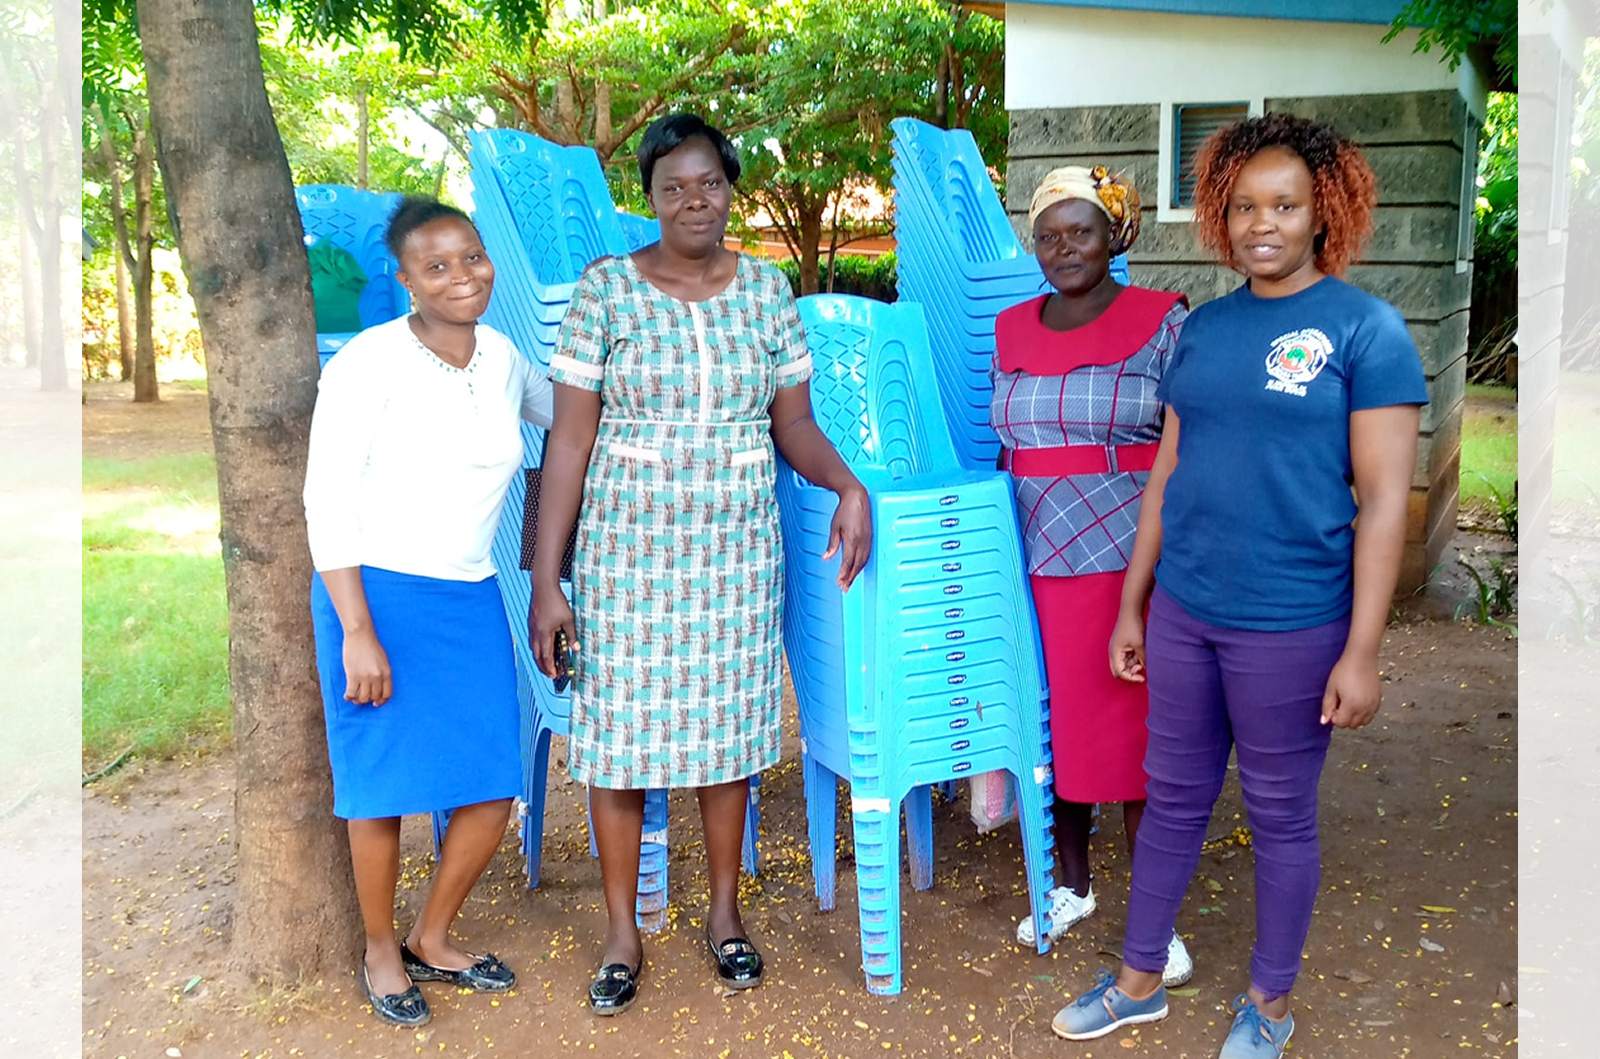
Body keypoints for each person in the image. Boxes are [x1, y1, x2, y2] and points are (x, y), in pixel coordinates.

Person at [1050, 115, 1427, 1058]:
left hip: (1293, 625)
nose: (1265, 223)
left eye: (1287, 205)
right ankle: (1140, 979)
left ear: (1321, 211)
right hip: (1186, 612)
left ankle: (1270, 999)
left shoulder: (1364, 330)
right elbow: (1167, 477)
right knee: (1171, 795)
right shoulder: (1205, 330)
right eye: (1247, 205)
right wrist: (1137, 601)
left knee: (1277, 811)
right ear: (1222, 212)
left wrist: (1363, 651)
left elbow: (1384, 502)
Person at [529, 113, 872, 1016]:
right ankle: (621, 930)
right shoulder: (605, 291)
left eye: (710, 183)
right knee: (621, 748)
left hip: (734, 550)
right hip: (626, 554)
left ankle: (723, 916)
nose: (694, 200)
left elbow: (792, 424)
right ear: (647, 196)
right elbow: (568, 442)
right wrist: (545, 579)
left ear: (730, 189)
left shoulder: (765, 290)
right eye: (674, 186)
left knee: (726, 739)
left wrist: (849, 485)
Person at [302, 197, 554, 1027]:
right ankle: (381, 948)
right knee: (379, 788)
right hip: (375, 593)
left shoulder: (506, 357)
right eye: (437, 266)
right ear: (405, 280)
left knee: (493, 777)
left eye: (472, 258)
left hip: (471, 594)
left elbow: (568, 411)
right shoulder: (368, 363)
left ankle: (433, 934)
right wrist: (358, 630)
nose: (462, 277)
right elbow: (326, 497)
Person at [991, 165, 1191, 988]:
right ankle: (1071, 883)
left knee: (1136, 732)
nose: (1064, 247)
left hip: (1131, 552)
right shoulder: (1009, 327)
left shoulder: (1162, 321)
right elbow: (1003, 444)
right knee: (1055, 726)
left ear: (1119, 232)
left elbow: (1190, 440)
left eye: (1082, 230)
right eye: (1048, 234)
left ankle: (1157, 919)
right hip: (1032, 552)